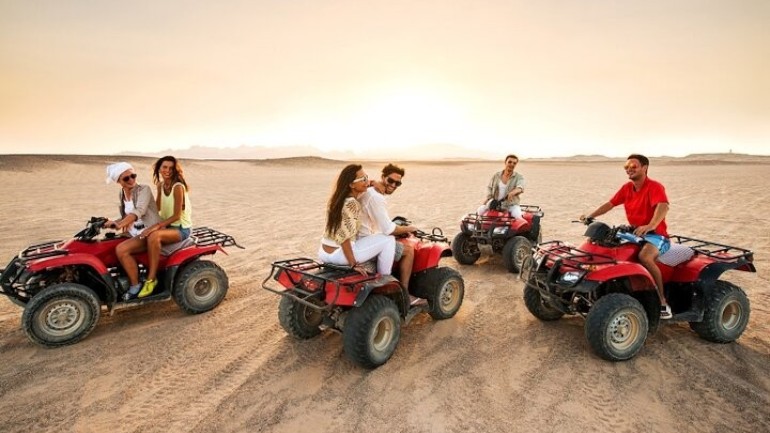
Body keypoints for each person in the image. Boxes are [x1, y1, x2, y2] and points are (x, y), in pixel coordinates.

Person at [579, 154, 672, 319]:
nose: (629, 169)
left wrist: (650, 225)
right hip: (634, 233)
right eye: (626, 167)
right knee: (604, 247)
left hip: (657, 236)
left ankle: (661, 300)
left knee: (645, 256)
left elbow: (663, 207)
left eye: (633, 166)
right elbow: (610, 204)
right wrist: (591, 216)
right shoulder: (627, 188)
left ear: (645, 168)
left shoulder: (655, 187)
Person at [318, 164, 396, 277]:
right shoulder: (352, 204)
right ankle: (384, 278)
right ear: (351, 184)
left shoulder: (338, 199)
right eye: (363, 179)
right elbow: (344, 237)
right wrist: (353, 264)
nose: (366, 181)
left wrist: (373, 183)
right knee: (389, 239)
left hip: (323, 253)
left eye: (367, 177)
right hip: (339, 255)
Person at [135, 156, 193, 298]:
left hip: (180, 229)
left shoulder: (177, 187)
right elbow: (157, 208)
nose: (167, 170)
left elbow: (177, 216)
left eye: (171, 168)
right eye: (164, 167)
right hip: (167, 226)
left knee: (154, 236)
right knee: (140, 236)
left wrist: (156, 227)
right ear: (159, 168)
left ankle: (151, 279)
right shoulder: (161, 185)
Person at [105, 162, 163, 300]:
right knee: (107, 245)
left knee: (121, 249)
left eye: (133, 176)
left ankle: (135, 285)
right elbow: (126, 216)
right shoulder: (122, 194)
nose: (131, 180)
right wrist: (112, 222)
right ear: (119, 181)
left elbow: (140, 211)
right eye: (126, 178)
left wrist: (120, 224)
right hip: (132, 232)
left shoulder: (144, 189)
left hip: (148, 232)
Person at [359, 163, 417, 289]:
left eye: (398, 183)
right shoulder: (376, 197)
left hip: (361, 237)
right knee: (408, 251)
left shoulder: (368, 190)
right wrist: (410, 228)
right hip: (363, 241)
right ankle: (404, 290)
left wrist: (373, 182)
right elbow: (388, 229)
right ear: (383, 177)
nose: (393, 185)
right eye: (390, 180)